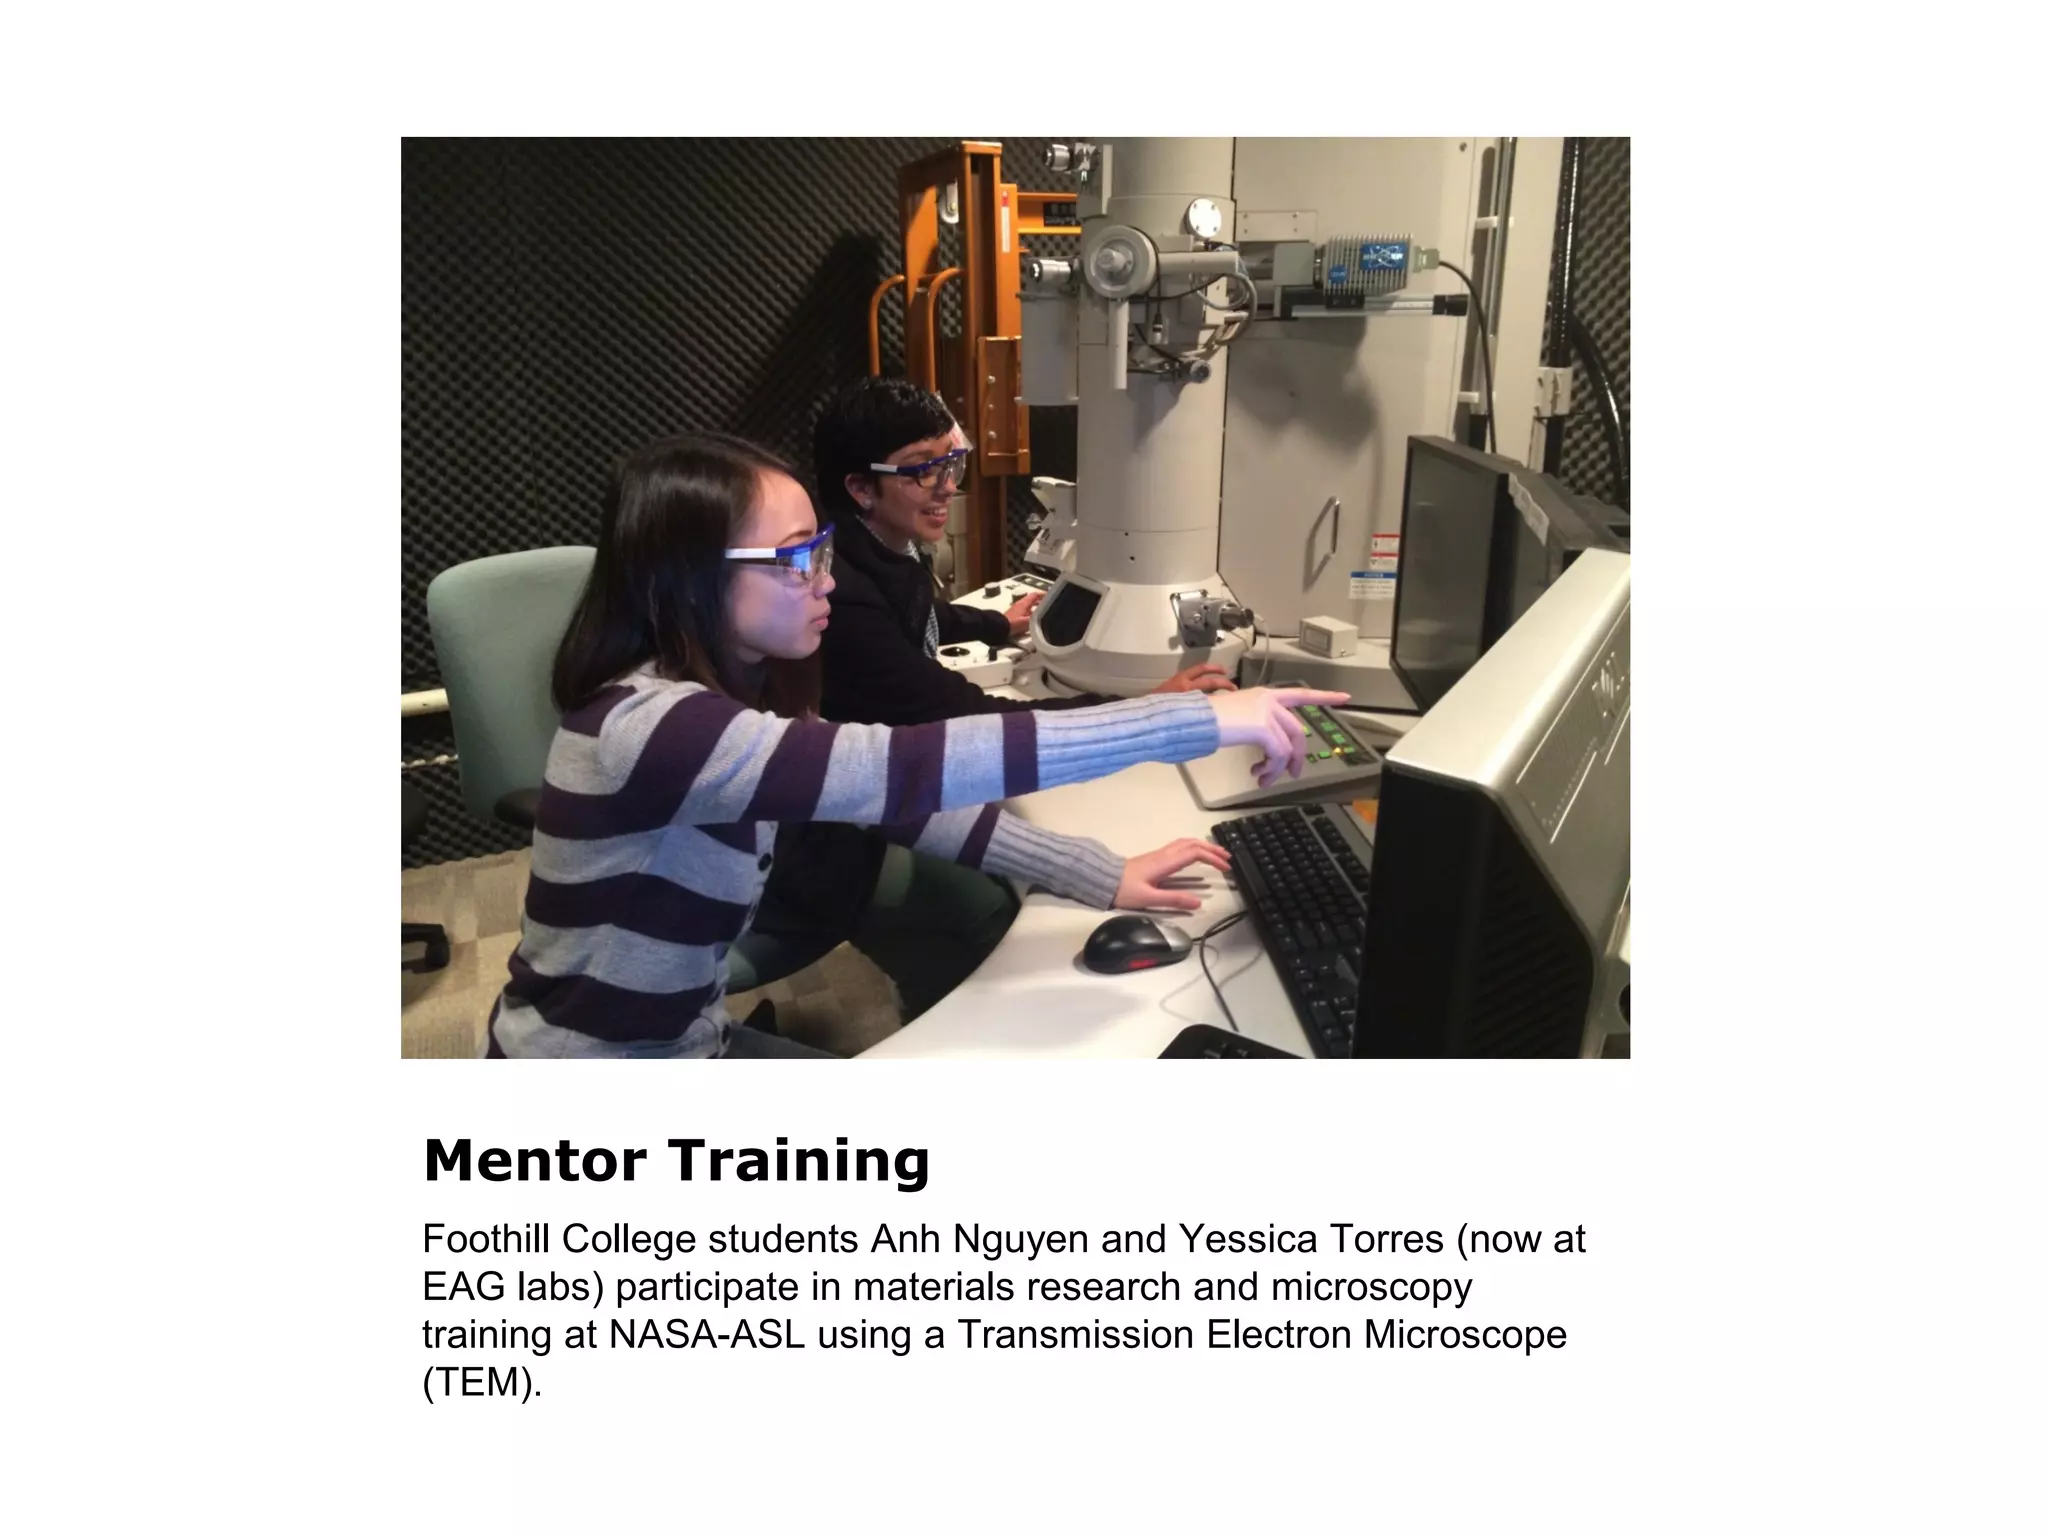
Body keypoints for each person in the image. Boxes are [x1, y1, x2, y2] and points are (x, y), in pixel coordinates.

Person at [487, 431, 1344, 1059]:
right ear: (688, 578)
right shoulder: (654, 727)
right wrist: (1193, 722)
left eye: (820, 550)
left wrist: (1097, 871)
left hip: (687, 1036)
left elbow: (900, 805)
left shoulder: (733, 698)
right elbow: (899, 767)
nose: (823, 580)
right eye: (794, 560)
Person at [810, 375, 1236, 728]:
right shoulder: (845, 599)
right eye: (922, 469)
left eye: (950, 463)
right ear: (861, 488)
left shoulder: (875, 547)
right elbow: (972, 718)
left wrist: (996, 623)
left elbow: (916, 611)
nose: (948, 486)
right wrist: (1145, 709)